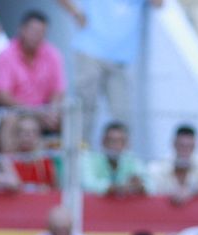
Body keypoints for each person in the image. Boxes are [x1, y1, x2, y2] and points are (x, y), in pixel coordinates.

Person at [53, 0, 161, 147]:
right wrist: (75, 12)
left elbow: (159, 4)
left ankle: (121, 164)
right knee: (84, 113)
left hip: (121, 59)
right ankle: (80, 160)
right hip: (89, 52)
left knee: (122, 116)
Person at [0, 10, 65, 126]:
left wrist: (52, 111)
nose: (37, 36)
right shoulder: (6, 56)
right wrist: (33, 113)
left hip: (41, 113)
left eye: (42, 32)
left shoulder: (52, 55)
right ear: (22, 29)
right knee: (11, 121)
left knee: (67, 118)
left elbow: (58, 91)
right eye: (34, 31)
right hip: (10, 111)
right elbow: (3, 96)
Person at [81, 120, 147, 196]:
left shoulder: (132, 160)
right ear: (103, 141)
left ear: (127, 143)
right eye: (112, 141)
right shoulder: (89, 159)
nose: (116, 146)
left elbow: (151, 184)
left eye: (121, 141)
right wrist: (116, 188)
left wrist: (140, 186)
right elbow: (87, 184)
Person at [6, 112, 58, 190]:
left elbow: (54, 189)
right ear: (16, 135)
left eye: (34, 132)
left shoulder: (45, 161)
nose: (29, 136)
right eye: (24, 132)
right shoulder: (8, 160)